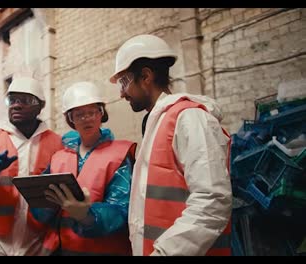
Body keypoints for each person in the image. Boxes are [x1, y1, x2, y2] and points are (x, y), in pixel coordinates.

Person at [109, 34, 232, 256]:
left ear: (145, 76)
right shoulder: (157, 123)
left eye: (124, 81)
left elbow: (212, 201)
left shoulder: (190, 119)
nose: (121, 93)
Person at [31, 81, 137, 256]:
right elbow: (40, 208)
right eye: (79, 114)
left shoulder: (119, 156)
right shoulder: (59, 157)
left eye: (92, 112)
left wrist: (87, 215)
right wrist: (45, 206)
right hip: (64, 250)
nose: (87, 118)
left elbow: (121, 210)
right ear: (70, 119)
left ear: (101, 114)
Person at [0, 76, 63, 256]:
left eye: (25, 100)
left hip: (36, 243)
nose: (16, 105)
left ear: (40, 106)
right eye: (12, 99)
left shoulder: (56, 144)